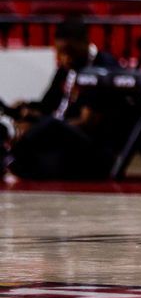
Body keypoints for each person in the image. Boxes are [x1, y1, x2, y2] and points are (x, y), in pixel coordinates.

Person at [6, 16, 124, 180]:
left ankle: (9, 158)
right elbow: (47, 105)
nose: (65, 57)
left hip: (93, 148)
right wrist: (26, 109)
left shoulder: (102, 68)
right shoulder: (66, 68)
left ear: (85, 42)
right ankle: (11, 158)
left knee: (51, 125)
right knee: (25, 121)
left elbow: (87, 122)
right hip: (63, 143)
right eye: (60, 52)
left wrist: (41, 127)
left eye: (70, 51)